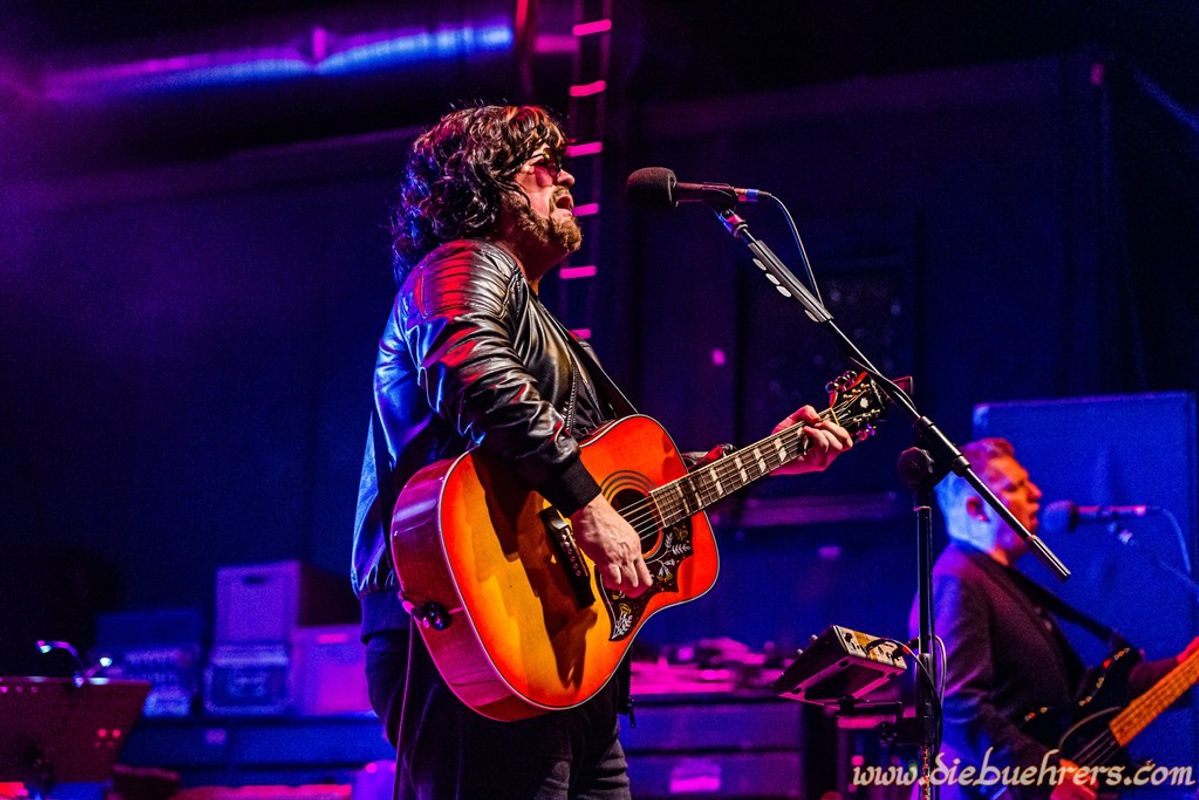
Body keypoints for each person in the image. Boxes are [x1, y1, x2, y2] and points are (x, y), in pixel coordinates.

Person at [350, 104, 855, 800]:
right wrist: (585, 503)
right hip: (472, 628)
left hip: (559, 648)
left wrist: (773, 454)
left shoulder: (544, 324)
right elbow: (471, 369)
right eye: (540, 169)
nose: (566, 181)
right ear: (484, 188)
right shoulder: (462, 265)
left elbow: (629, 489)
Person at [921, 437, 1199, 800]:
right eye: (1016, 487)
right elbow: (955, 705)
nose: (1036, 492)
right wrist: (1045, 772)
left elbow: (1085, 698)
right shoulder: (959, 581)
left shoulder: (995, 579)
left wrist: (1181, 668)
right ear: (976, 508)